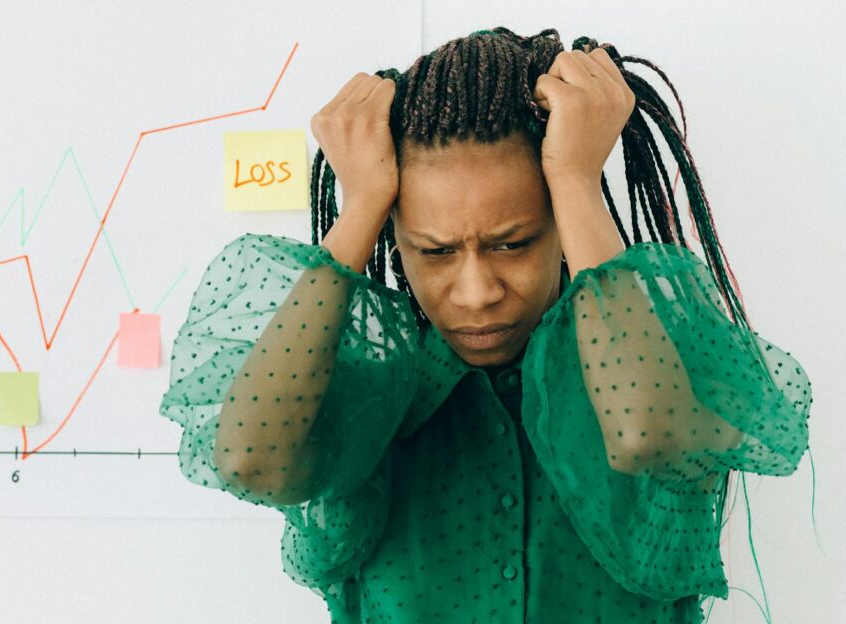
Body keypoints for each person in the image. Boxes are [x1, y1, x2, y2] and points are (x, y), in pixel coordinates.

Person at [158, 27, 811, 623]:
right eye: (435, 251)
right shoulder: (362, 402)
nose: (476, 295)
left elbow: (649, 434)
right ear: (396, 240)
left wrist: (576, 178)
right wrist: (363, 203)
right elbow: (248, 459)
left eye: (512, 243)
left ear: (561, 224)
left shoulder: (657, 372)